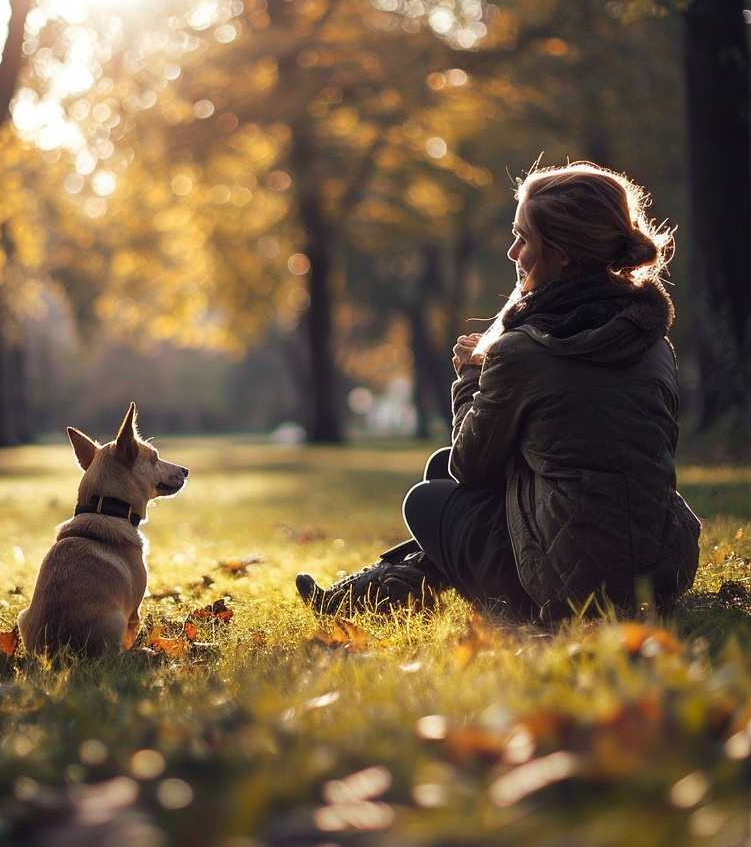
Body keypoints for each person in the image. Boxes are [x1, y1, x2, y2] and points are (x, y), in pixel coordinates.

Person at [296, 162, 701, 623]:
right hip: (661, 571)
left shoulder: (524, 352)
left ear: (563, 254)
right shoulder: (652, 342)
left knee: (428, 496)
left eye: (524, 238)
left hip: (575, 594)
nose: (513, 252)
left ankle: (385, 587)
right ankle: (395, 584)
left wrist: (471, 377)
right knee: (450, 476)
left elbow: (468, 466)